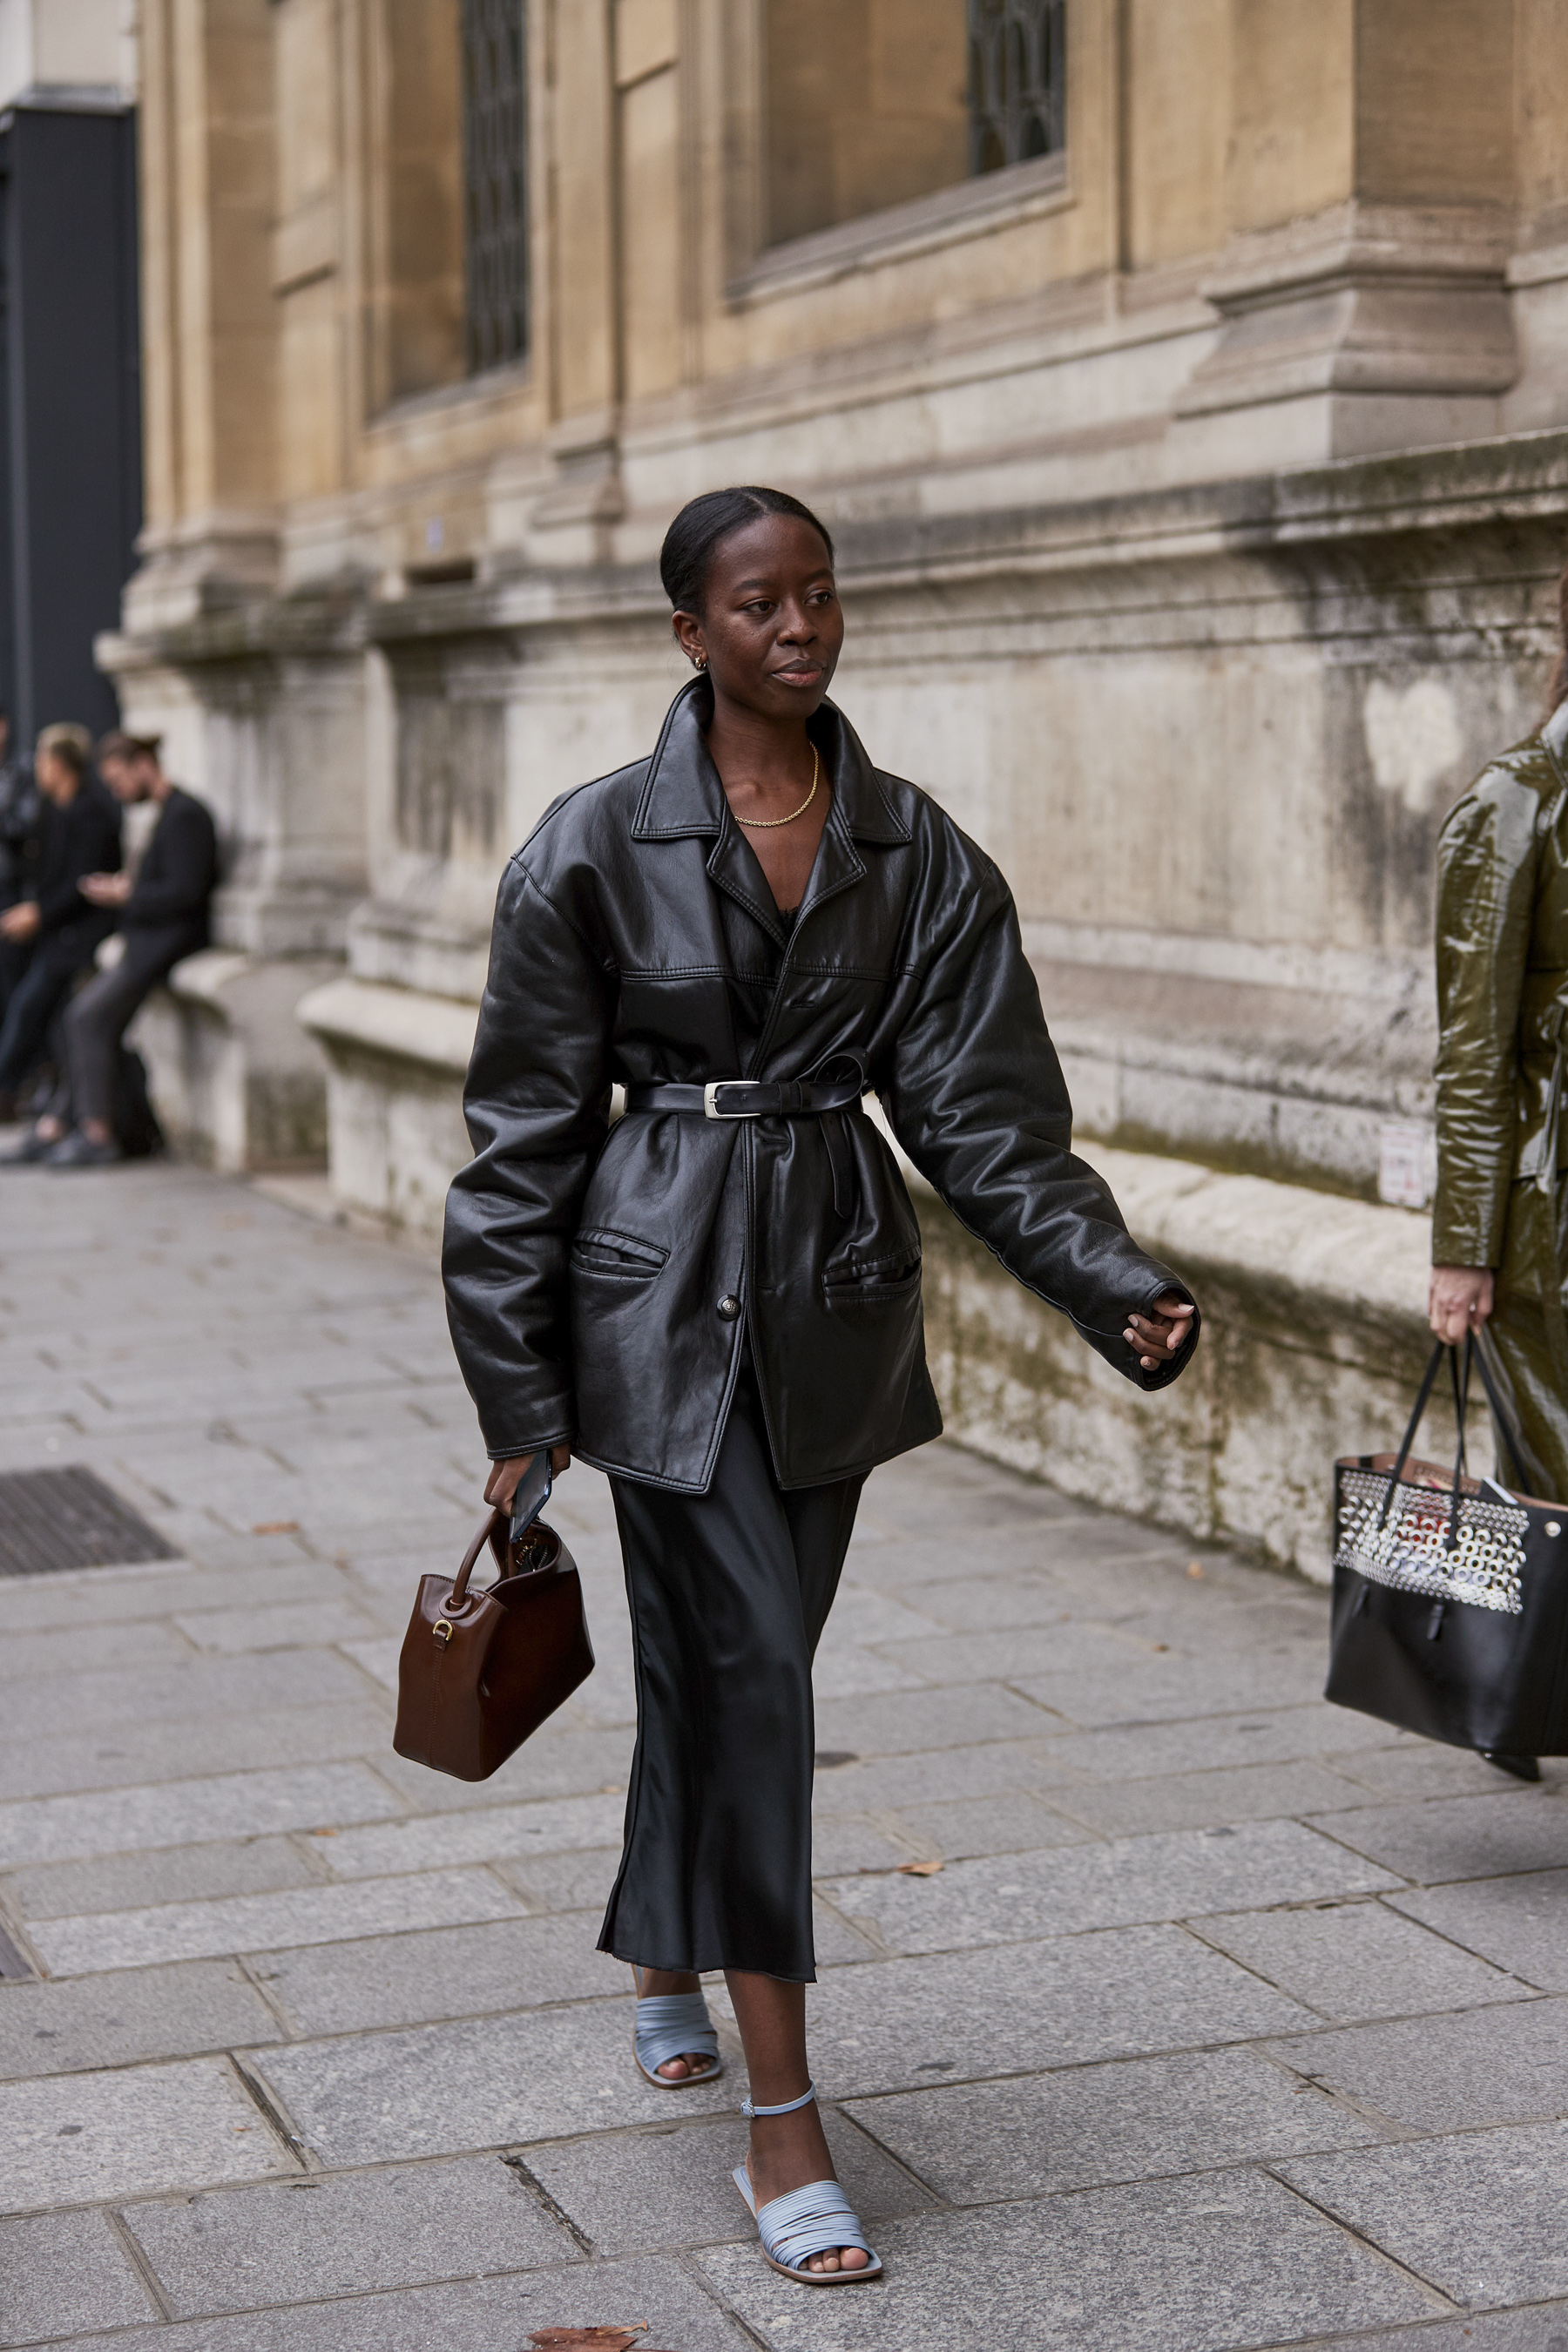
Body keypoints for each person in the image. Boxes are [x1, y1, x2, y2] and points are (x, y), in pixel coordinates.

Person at [442, 485, 1200, 2287]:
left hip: (837, 1310)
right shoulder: (592, 847)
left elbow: (984, 1110)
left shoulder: (910, 845)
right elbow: (517, 1147)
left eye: (820, 597)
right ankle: (785, 2123)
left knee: (737, 1666)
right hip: (652, 1308)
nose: (801, 627)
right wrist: (514, 1398)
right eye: (760, 603)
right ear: (688, 632)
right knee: (757, 1681)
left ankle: (660, 1947)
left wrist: (1113, 1280)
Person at [1430, 561, 1568, 1782]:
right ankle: (1517, 1704)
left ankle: (1521, 1709)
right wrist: (1462, 1250)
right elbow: (1472, 1051)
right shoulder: (1516, 801)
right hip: (1549, 1218)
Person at [33, 732, 218, 1167]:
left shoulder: (185, 815)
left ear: (142, 764)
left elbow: (186, 891)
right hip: (148, 942)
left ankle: (95, 1132)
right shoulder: (168, 813)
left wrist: (126, 895)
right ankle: (60, 1125)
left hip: (163, 945)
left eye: (119, 780)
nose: (118, 792)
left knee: (86, 1017)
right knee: (82, 1018)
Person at [0, 725, 119, 1132]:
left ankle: (15, 1092)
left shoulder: (90, 813)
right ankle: (50, 1104)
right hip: (54, 930)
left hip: (78, 935)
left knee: (34, 1009)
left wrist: (39, 914)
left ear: (59, 763)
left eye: (42, 759)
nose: (37, 768)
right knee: (39, 1013)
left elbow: (79, 882)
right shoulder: (52, 811)